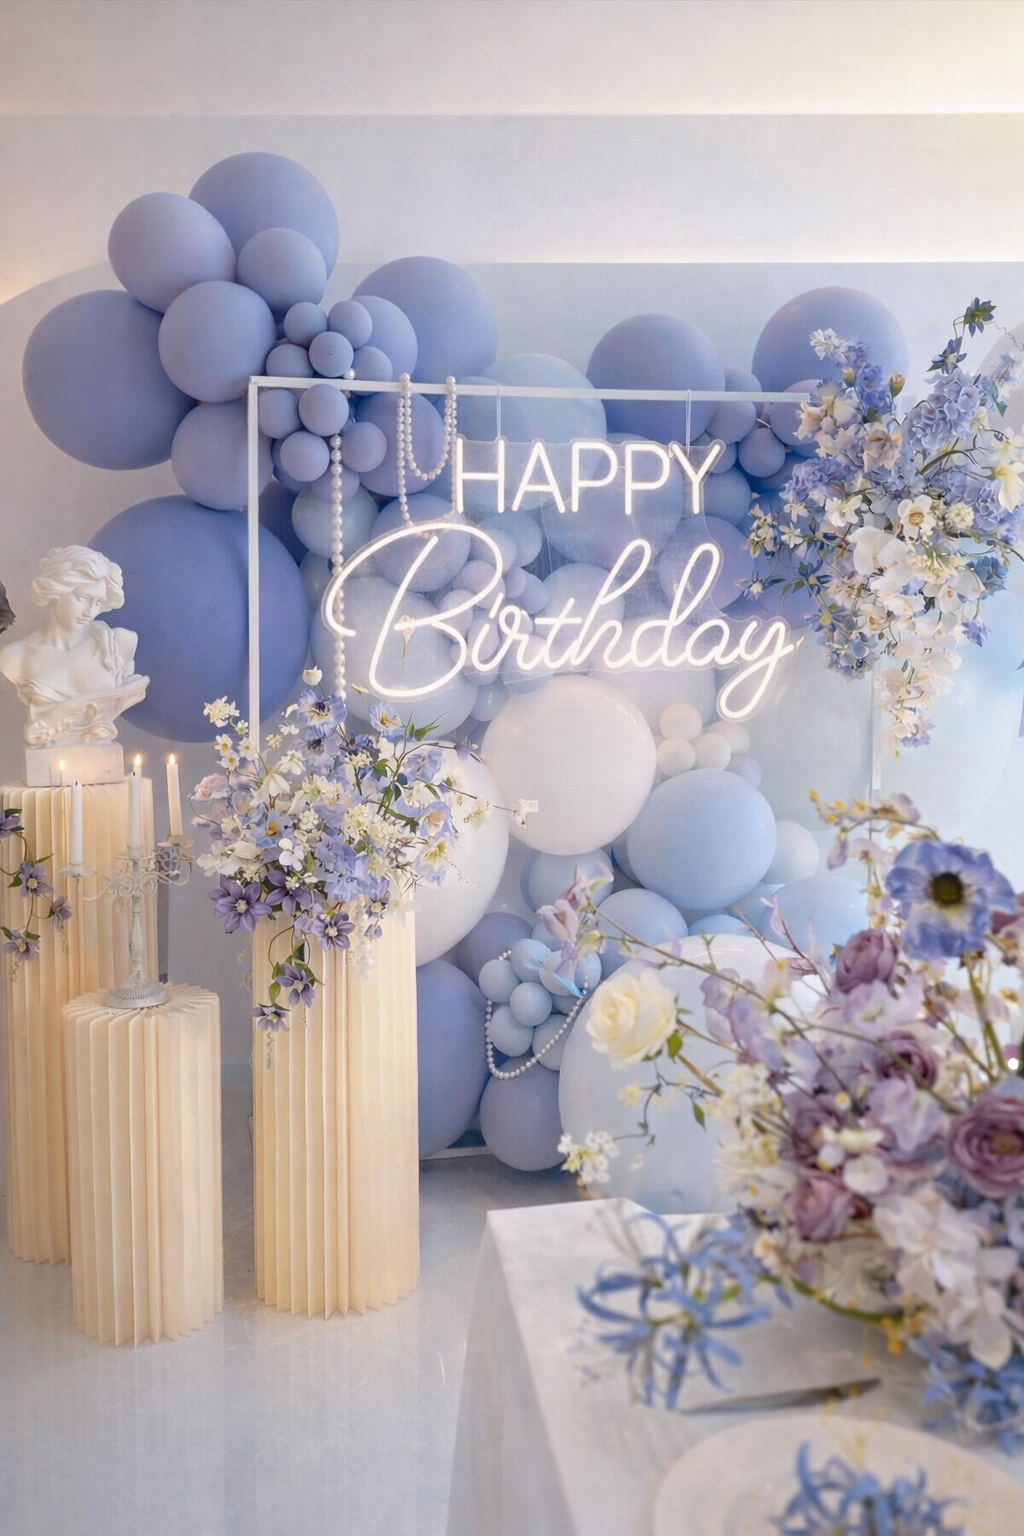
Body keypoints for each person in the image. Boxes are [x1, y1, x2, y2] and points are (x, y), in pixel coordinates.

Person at [0, 546, 147, 746]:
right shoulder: (15, 657)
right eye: (83, 598)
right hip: (48, 763)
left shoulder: (119, 643)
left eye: (97, 602)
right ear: (55, 591)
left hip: (101, 758)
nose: (90, 611)